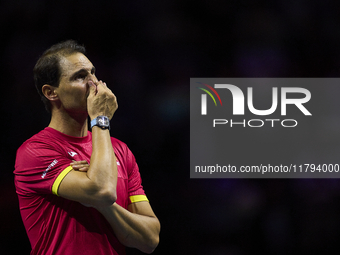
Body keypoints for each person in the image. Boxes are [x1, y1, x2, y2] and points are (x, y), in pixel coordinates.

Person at [14, 40, 160, 255]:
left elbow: (149, 239)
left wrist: (103, 205)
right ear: (51, 92)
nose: (95, 84)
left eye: (93, 73)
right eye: (80, 76)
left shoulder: (120, 150)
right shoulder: (35, 151)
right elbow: (102, 190)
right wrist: (100, 118)